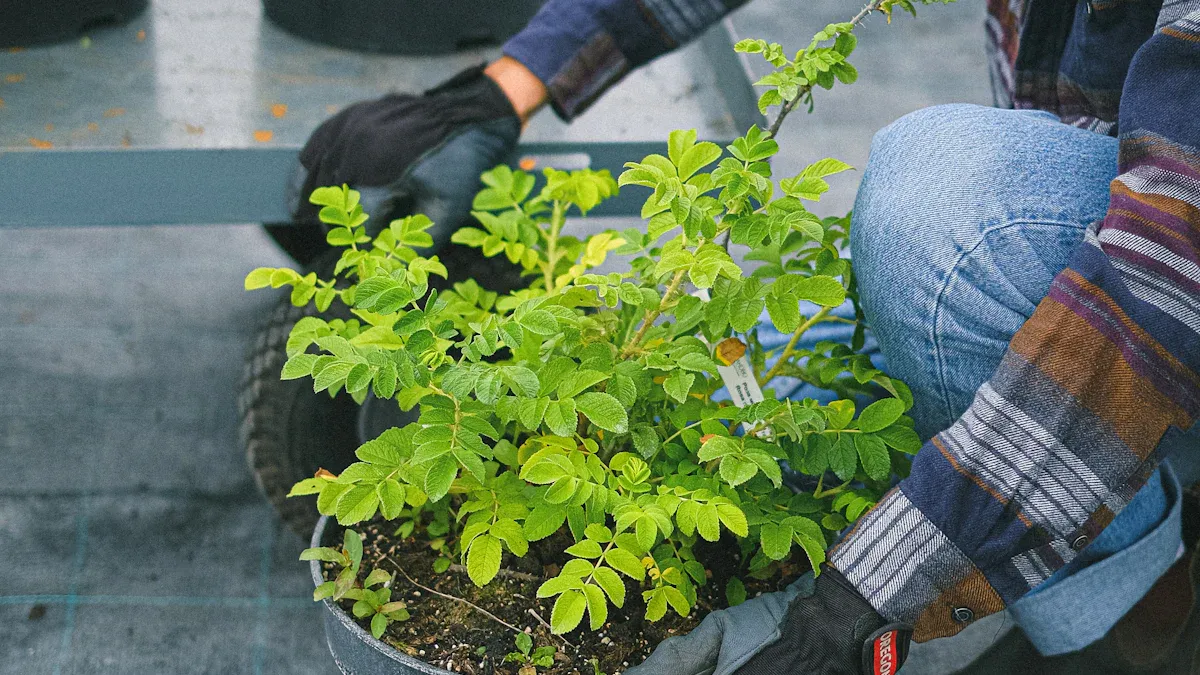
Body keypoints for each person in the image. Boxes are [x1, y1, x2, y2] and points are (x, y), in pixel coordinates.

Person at [292, 0, 1200, 672]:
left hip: (1165, 273)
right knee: (759, 410)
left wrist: (866, 605)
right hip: (1097, 207)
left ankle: (1136, 606)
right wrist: (501, 90)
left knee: (947, 219)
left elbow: (1160, 279)